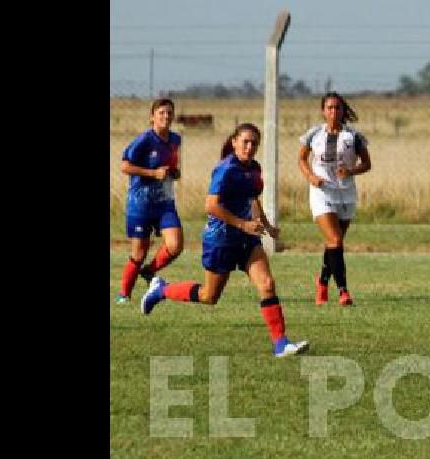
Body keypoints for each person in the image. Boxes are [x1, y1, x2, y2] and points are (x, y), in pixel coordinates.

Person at [140, 123, 310, 358]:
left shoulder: (254, 169)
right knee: (209, 297)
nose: (249, 147)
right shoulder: (226, 169)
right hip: (220, 240)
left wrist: (267, 226)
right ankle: (161, 290)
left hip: (246, 240)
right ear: (234, 142)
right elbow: (211, 205)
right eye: (245, 142)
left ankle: (280, 344)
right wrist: (242, 224)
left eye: (254, 143)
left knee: (267, 284)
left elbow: (252, 198)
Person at [298, 92, 372, 306]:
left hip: (346, 193)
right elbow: (302, 159)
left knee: (334, 245)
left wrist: (350, 171)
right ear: (323, 111)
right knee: (336, 240)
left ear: (343, 110)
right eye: (329, 108)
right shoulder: (314, 134)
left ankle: (322, 281)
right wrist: (311, 177)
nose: (333, 112)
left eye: (337, 108)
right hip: (322, 193)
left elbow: (367, 164)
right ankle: (343, 292)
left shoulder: (354, 137)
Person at [116, 98, 184, 304]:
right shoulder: (144, 139)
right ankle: (124, 294)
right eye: (161, 112)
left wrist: (174, 172)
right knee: (139, 253)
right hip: (140, 205)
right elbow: (125, 166)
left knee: (175, 245)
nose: (165, 116)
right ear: (152, 116)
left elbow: (172, 166)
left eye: (169, 112)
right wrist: (153, 173)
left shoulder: (175, 139)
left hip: (164, 203)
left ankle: (149, 272)